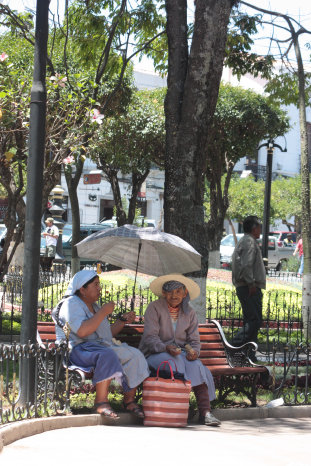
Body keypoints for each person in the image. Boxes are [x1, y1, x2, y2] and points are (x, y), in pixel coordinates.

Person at [53, 269, 149, 419]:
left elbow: (106, 335)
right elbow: (83, 332)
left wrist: (121, 321)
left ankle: (129, 401)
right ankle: (101, 402)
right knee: (106, 354)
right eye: (96, 285)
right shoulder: (70, 304)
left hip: (97, 348)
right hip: (77, 350)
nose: (99, 288)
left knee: (135, 355)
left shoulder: (95, 307)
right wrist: (103, 312)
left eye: (99, 284)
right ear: (82, 289)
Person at [139, 273, 221, 427]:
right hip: (154, 354)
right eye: (169, 291)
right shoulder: (154, 308)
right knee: (173, 361)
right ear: (163, 293)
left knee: (196, 365)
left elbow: (194, 341)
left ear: (185, 293)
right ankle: (179, 406)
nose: (174, 295)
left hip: (180, 355)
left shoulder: (189, 312)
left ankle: (206, 412)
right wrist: (165, 347)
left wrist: (194, 352)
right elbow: (150, 338)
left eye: (178, 291)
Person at [231, 215, 266, 363]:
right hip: (249, 287)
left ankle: (249, 354)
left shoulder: (245, 241)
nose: (260, 230)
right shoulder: (250, 242)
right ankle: (232, 346)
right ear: (254, 228)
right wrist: (251, 284)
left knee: (251, 320)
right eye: (259, 227)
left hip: (246, 286)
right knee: (254, 321)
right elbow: (246, 265)